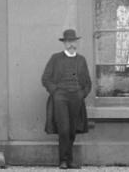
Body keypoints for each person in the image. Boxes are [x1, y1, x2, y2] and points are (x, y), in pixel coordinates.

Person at [42, 28, 91, 169]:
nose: (71, 44)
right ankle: (63, 160)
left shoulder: (81, 60)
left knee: (72, 130)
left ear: (76, 43)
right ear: (64, 43)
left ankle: (70, 161)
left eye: (73, 41)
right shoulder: (55, 58)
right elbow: (45, 78)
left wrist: (82, 94)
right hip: (60, 97)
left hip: (76, 97)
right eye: (68, 42)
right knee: (63, 129)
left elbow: (87, 83)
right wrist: (56, 92)